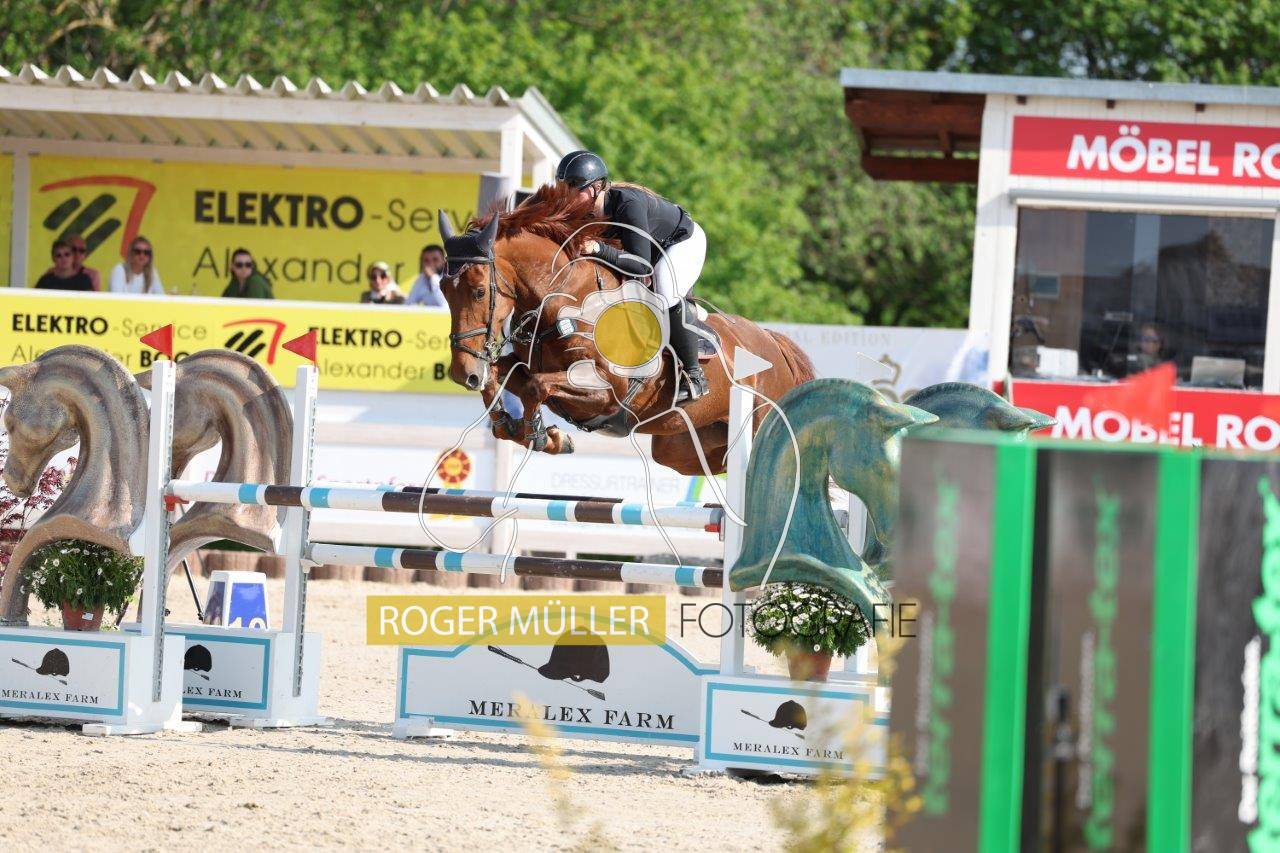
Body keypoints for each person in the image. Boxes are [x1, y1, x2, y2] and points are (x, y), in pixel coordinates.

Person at [555, 149, 709, 402]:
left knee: (665, 289)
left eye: (574, 188)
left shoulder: (627, 203)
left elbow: (642, 266)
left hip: (682, 242)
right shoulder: (582, 213)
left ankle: (694, 376)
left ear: (596, 188)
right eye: (563, 188)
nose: (567, 197)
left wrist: (598, 249)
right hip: (648, 251)